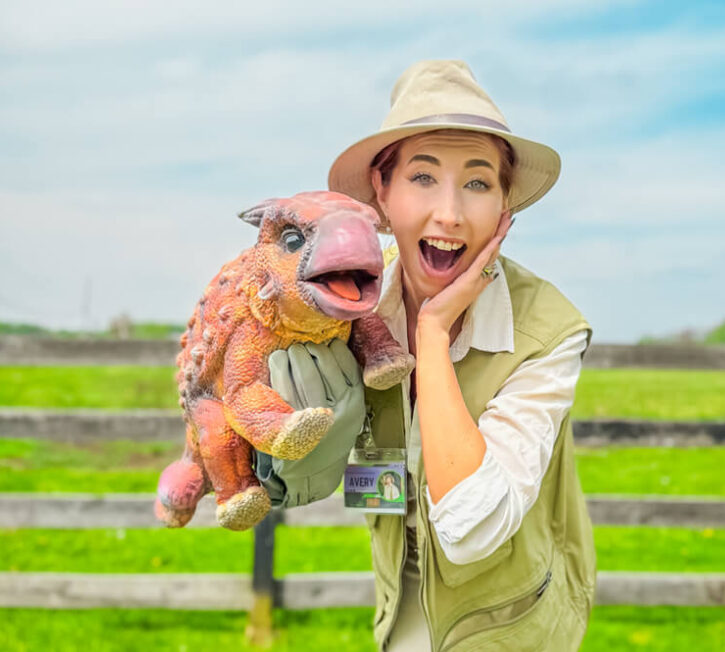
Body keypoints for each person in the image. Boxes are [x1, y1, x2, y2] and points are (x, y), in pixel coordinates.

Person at [253, 59, 595, 651]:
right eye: (423, 177)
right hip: (396, 618)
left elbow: (471, 529)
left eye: (478, 182)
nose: (450, 213)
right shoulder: (345, 306)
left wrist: (432, 338)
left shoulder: (549, 332)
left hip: (513, 625)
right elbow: (321, 472)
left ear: (504, 207)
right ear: (381, 197)